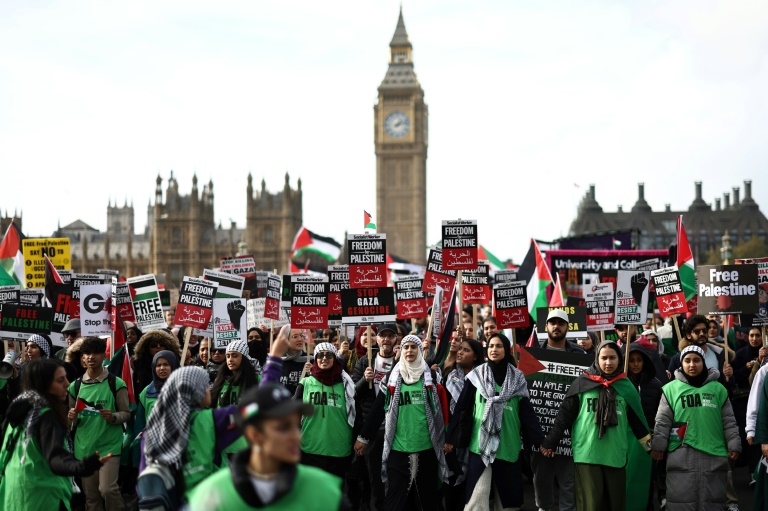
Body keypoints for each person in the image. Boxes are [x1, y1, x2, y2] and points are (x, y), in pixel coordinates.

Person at [186, 383, 349, 510]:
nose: (296, 436)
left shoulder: (326, 491)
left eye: (296, 425)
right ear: (254, 435)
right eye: (283, 428)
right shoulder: (211, 497)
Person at [541, 341, 651, 511]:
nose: (608, 362)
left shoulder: (626, 387)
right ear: (597, 359)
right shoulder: (581, 384)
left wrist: (652, 448)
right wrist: (551, 441)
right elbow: (564, 415)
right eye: (604, 358)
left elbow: (638, 422)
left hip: (615, 456)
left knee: (614, 505)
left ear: (619, 360)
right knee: (590, 506)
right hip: (587, 455)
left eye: (613, 358)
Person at [446, 333, 543, 510]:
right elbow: (462, 409)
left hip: (508, 446)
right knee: (477, 500)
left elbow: (527, 414)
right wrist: (450, 438)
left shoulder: (518, 379)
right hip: (480, 447)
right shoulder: (476, 376)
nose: (494, 350)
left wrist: (540, 442)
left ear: (506, 350)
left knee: (507, 503)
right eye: (490, 346)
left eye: (499, 346)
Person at [354, 335, 450, 511]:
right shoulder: (392, 378)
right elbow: (377, 410)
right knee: (396, 501)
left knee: (427, 500)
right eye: (406, 347)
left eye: (414, 347)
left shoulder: (431, 377)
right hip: (398, 450)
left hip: (426, 448)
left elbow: (443, 410)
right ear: (401, 351)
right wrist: (363, 437)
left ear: (420, 351)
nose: (410, 351)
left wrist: (447, 438)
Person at [0, 358, 109, 510]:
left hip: (14, 495)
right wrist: (81, 466)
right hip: (42, 498)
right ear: (43, 384)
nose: (67, 384)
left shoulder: (17, 411)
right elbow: (56, 458)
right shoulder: (45, 415)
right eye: (60, 380)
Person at [651, 345, 741, 510]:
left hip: (713, 452)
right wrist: (658, 446)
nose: (692, 365)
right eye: (687, 360)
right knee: (682, 499)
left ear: (703, 362)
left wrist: (734, 443)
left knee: (712, 499)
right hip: (681, 453)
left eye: (696, 360)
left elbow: (728, 420)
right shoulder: (671, 389)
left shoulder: (718, 389)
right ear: (681, 363)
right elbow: (663, 421)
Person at [139, 366, 241, 503]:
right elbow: (259, 407)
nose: (209, 390)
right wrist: (274, 362)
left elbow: (146, 482)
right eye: (205, 387)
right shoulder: (212, 421)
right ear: (196, 392)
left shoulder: (151, 432)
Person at [67, 337, 131, 511]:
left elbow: (127, 413)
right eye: (87, 353)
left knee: (108, 490)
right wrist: (71, 417)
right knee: (92, 497)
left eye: (95, 353)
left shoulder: (116, 383)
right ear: (82, 357)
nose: (90, 357)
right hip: (85, 449)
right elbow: (70, 422)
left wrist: (113, 417)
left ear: (104, 355)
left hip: (109, 447)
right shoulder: (75, 386)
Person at [530, 309, 585, 511]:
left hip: (570, 431)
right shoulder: (533, 353)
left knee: (568, 482)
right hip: (540, 430)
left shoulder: (580, 356)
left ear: (567, 327)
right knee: (541, 481)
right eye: (552, 322)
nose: (556, 326)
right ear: (546, 327)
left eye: (560, 323)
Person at [294, 342, 358, 480]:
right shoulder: (306, 383)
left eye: (329, 354)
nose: (324, 358)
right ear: (315, 359)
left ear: (335, 358)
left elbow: (356, 415)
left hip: (339, 450)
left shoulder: (347, 385)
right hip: (310, 449)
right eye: (320, 355)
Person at [351, 323, 396, 511]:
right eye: (382, 336)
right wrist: (364, 381)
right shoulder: (365, 362)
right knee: (374, 478)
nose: (386, 340)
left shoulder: (401, 361)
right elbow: (352, 393)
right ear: (377, 339)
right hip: (373, 428)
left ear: (396, 340)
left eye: (390, 336)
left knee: (394, 477)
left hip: (396, 427)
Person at [626, 342, 664, 509]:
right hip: (625, 441)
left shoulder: (655, 385)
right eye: (631, 360)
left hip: (648, 441)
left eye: (639, 360)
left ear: (645, 362)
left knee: (647, 480)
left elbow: (661, 415)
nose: (635, 364)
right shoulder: (620, 384)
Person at [134, 350, 179, 435]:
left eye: (166, 364)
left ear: (173, 366)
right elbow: (140, 424)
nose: (162, 368)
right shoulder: (147, 392)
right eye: (158, 365)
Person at [211, 340, 260, 408]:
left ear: (244, 358)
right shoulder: (220, 380)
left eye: (235, 356)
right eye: (228, 356)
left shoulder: (257, 378)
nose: (230, 359)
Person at [132, 329, 182, 395]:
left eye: (162, 344)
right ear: (147, 347)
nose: (158, 346)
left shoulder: (175, 362)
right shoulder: (139, 365)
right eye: (154, 345)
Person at [279, 328, 310, 395]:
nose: (300, 339)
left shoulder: (310, 360)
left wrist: (313, 372)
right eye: (295, 336)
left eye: (302, 336)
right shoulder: (277, 361)